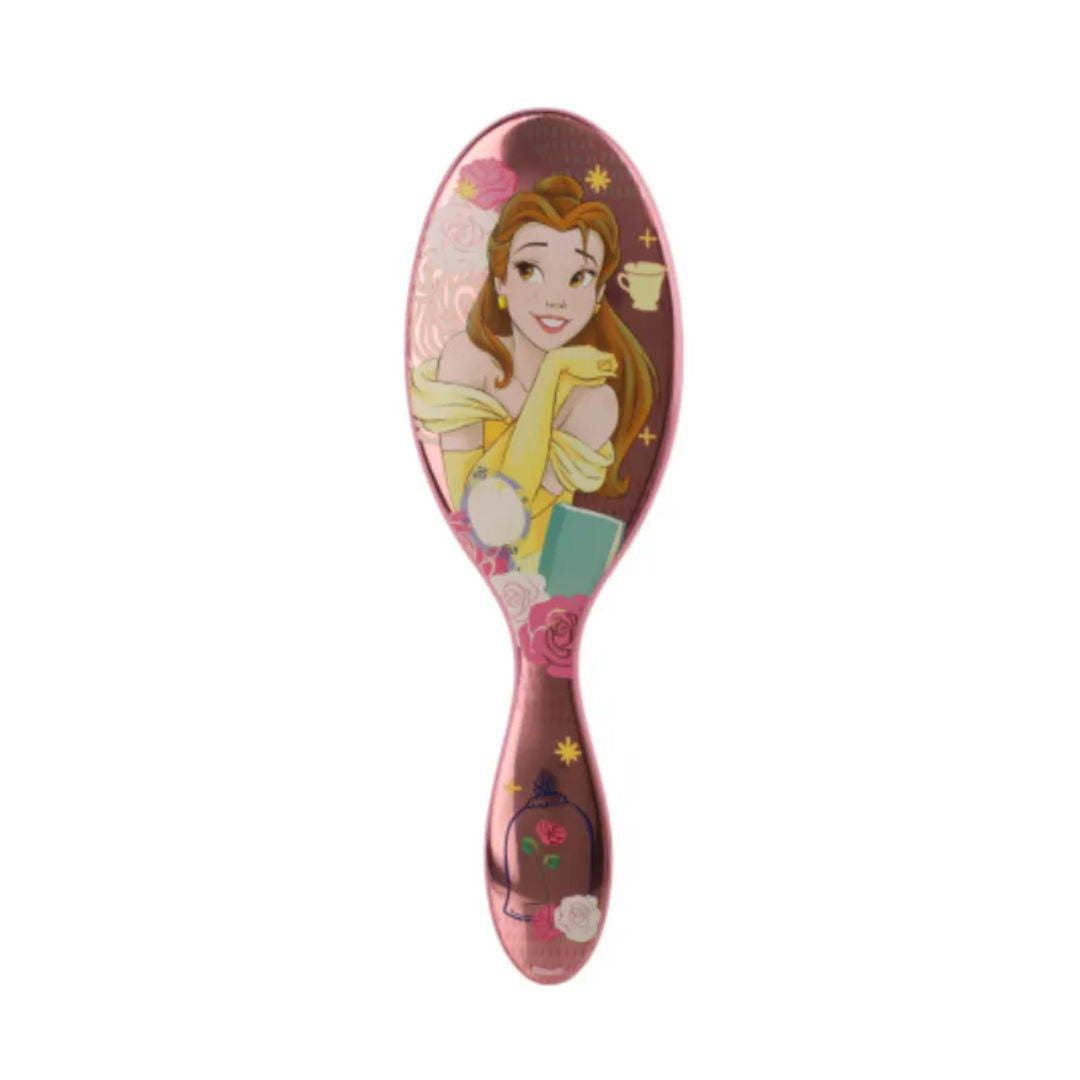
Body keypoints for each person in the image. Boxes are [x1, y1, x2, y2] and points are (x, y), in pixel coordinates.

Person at [410, 174, 657, 574]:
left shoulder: (595, 401)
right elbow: (476, 521)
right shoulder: (466, 360)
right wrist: (552, 374)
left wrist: (552, 377)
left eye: (579, 277)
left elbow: (503, 521)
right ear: (499, 280)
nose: (556, 298)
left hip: (552, 576)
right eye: (529, 269)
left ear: (598, 295)